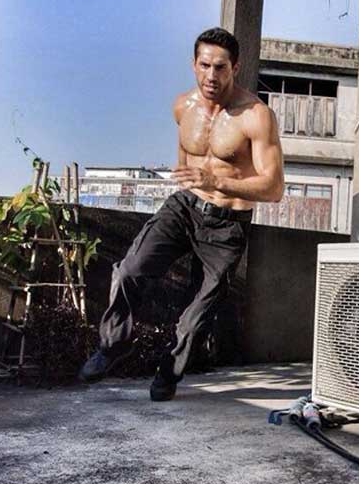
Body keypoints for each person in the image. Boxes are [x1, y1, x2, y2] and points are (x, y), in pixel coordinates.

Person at [79, 27, 285, 401]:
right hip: (185, 206)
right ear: (193, 64)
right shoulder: (182, 107)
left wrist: (217, 182)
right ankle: (113, 345)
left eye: (220, 67)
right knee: (129, 270)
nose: (211, 75)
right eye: (204, 65)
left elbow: (274, 188)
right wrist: (195, 184)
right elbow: (185, 164)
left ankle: (169, 371)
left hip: (227, 225)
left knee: (196, 316)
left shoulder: (256, 116)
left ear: (235, 68)